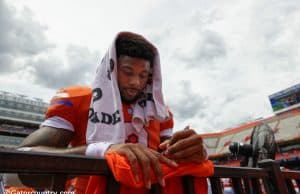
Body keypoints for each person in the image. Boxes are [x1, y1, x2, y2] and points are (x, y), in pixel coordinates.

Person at [18, 31, 208, 193]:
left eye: (143, 75)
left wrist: (194, 152)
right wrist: (103, 150)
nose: (136, 82)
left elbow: (169, 160)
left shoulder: (159, 112)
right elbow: (24, 163)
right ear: (112, 69)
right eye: (128, 71)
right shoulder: (79, 100)